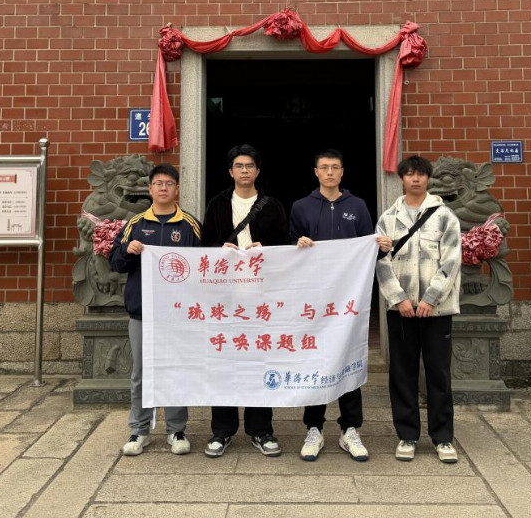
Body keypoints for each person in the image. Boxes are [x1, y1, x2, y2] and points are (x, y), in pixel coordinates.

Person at [201, 144, 289, 458]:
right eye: (239, 166)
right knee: (223, 363)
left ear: (258, 171)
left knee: (259, 362)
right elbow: (204, 244)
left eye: (249, 166)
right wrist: (219, 248)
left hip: (261, 298)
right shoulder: (217, 204)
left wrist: (267, 249)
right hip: (225, 298)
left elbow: (285, 245)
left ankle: (261, 430)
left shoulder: (272, 206)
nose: (244, 171)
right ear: (230, 171)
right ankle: (222, 430)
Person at [109, 163, 202, 456]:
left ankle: (176, 430)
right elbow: (115, 262)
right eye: (158, 183)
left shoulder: (189, 225)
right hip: (142, 313)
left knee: (176, 370)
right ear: (150, 189)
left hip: (177, 315)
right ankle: (139, 429)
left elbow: (205, 265)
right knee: (141, 372)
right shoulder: (135, 224)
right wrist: (127, 251)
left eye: (169, 183)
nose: (163, 188)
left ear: (177, 189)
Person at [289, 148, 376, 462]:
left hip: (348, 299)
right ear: (316, 172)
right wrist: (297, 244)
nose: (329, 172)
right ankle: (314, 428)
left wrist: (380, 246)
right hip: (314, 299)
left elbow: (368, 247)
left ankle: (350, 429)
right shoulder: (301, 207)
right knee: (316, 360)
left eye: (334, 167)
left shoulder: (358, 206)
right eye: (324, 167)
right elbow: (287, 248)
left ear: (342, 172)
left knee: (348, 358)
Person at [374, 155, 462, 464]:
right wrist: (398, 298)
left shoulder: (445, 216)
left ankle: (443, 437)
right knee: (402, 373)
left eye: (420, 174)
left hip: (436, 310)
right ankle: (407, 435)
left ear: (428, 178)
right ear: (401, 178)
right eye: (409, 174)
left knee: (438, 373)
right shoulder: (388, 218)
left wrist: (430, 298)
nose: (415, 179)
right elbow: (381, 262)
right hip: (401, 310)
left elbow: (452, 261)